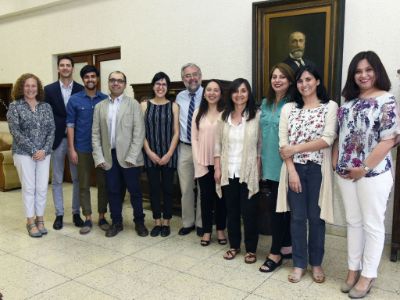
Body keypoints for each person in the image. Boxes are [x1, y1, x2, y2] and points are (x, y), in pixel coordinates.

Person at [333, 51, 399, 298]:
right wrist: (335, 160)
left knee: (372, 224)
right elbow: (341, 135)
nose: (363, 75)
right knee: (353, 222)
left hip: (373, 173)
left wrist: (365, 168)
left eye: (368, 70)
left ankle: (368, 274)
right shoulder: (347, 103)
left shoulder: (387, 100)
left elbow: (388, 140)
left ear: (377, 71)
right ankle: (353, 269)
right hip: (346, 173)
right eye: (358, 71)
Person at [277, 65, 337, 283]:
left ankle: (317, 263)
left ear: (318, 81)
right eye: (300, 81)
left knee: (316, 218)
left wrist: (295, 149)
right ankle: (299, 264)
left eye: (309, 79)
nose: (304, 84)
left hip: (317, 170)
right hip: (295, 170)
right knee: (298, 218)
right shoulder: (289, 109)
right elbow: (283, 144)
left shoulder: (330, 107)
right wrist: (291, 170)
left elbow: (328, 139)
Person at [92, 71, 148, 237]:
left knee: (135, 192)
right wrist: (99, 157)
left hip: (130, 158)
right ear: (108, 83)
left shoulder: (133, 105)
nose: (116, 83)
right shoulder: (99, 107)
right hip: (109, 158)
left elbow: (139, 132)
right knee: (113, 191)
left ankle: (140, 223)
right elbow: (95, 134)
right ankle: (116, 223)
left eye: (120, 81)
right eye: (113, 80)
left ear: (124, 84)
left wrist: (132, 156)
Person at [214, 78, 260, 264]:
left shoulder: (256, 115)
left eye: (243, 91)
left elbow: (260, 146)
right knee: (231, 211)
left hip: (248, 172)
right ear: (230, 94)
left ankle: (251, 249)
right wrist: (217, 167)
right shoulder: (223, 117)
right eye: (235, 91)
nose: (239, 95)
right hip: (228, 171)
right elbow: (218, 145)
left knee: (249, 213)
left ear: (248, 93)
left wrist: (258, 168)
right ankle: (234, 246)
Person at [7, 73, 55, 237]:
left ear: (38, 88)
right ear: (21, 87)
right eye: (27, 85)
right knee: (29, 188)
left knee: (42, 188)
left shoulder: (46, 107)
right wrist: (33, 150)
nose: (30, 89)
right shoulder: (15, 106)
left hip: (44, 153)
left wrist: (44, 150)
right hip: (23, 154)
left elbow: (51, 130)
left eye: (33, 85)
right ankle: (30, 221)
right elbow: (15, 132)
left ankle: (40, 219)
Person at [259, 63, 294, 272]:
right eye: (274, 76)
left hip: (285, 164)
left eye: (282, 77)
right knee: (278, 208)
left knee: (279, 210)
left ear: (289, 81)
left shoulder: (294, 104)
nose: (277, 80)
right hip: (268, 163)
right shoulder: (265, 103)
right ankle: (287, 246)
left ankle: (275, 253)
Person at [66, 65, 109, 235]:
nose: (90, 79)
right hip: (82, 148)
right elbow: (70, 125)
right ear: (83, 80)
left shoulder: (105, 99)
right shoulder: (74, 100)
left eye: (93, 76)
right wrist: (72, 149)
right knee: (83, 184)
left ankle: (102, 216)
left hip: (102, 150)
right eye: (87, 77)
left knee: (103, 184)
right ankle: (88, 218)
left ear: (97, 78)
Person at [44, 55, 84, 230]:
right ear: (58, 68)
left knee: (77, 178)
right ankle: (59, 214)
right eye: (62, 65)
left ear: (72, 68)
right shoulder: (49, 90)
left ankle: (76, 213)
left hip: (76, 141)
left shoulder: (81, 89)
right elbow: (46, 116)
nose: (65, 68)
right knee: (58, 178)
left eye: (68, 65)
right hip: (57, 140)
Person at [141, 72, 179, 237]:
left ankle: (167, 222)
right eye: (158, 83)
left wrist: (169, 154)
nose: (160, 87)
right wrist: (149, 152)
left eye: (164, 84)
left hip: (169, 154)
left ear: (167, 88)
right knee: (154, 189)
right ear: (153, 86)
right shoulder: (144, 105)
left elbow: (176, 132)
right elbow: (140, 132)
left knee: (168, 189)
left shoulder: (173, 106)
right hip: (150, 154)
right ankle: (157, 221)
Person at [191, 79, 227, 246]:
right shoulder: (199, 112)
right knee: (205, 199)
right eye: (209, 90)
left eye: (216, 90)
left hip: (222, 164)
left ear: (220, 94)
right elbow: (194, 139)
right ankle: (206, 231)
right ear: (204, 94)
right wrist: (199, 163)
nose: (212, 93)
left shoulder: (226, 112)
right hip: (203, 163)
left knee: (221, 199)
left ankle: (220, 230)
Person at [176, 63, 203, 236]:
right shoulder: (179, 97)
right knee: (185, 187)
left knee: (203, 188)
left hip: (202, 148)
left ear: (200, 76)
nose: (191, 78)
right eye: (187, 75)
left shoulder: (209, 94)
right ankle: (188, 222)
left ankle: (201, 223)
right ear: (183, 79)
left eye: (195, 74)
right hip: (184, 147)